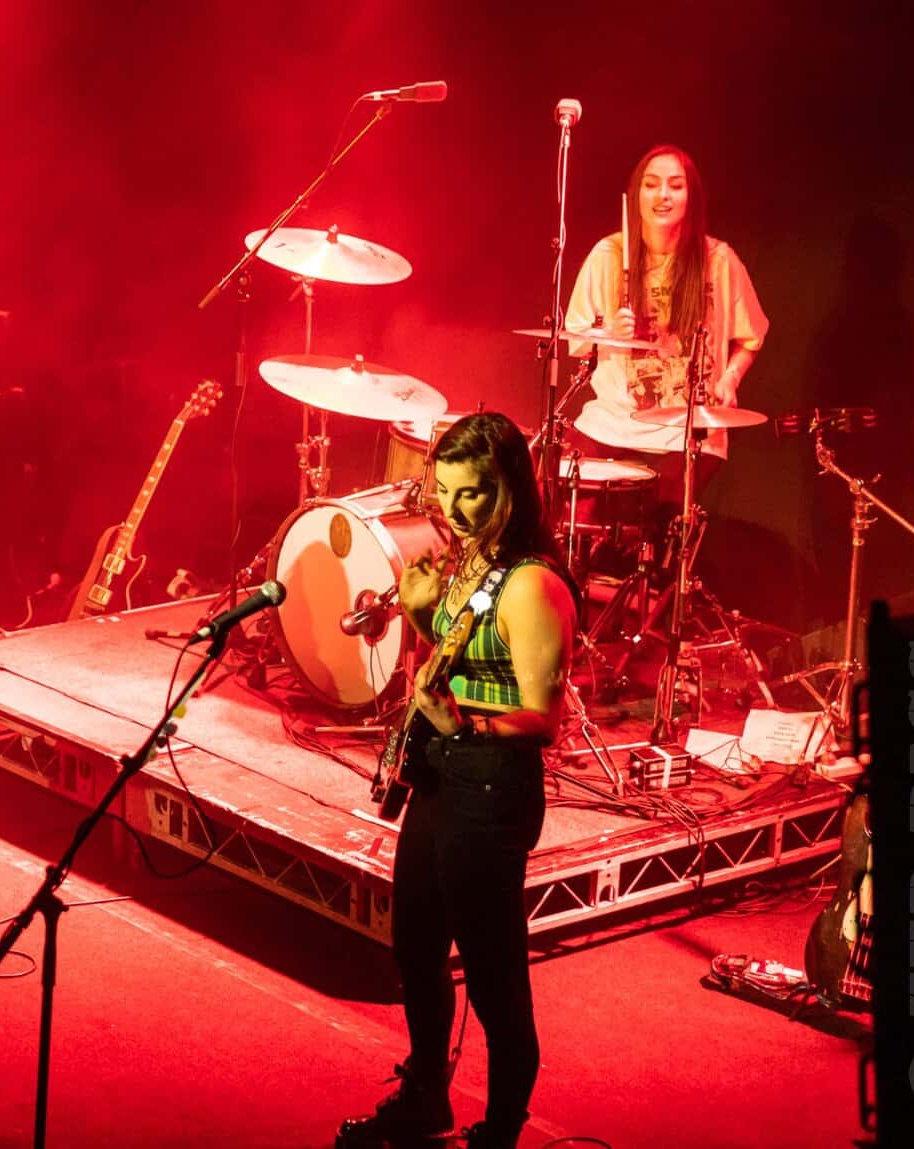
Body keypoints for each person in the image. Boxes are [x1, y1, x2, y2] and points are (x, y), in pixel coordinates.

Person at [335, 413, 579, 1149]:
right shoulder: (474, 560)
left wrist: (465, 722)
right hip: (442, 773)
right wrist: (419, 615)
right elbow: (459, 660)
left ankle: (500, 1131)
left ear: (510, 488)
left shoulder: (532, 584)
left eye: (471, 493)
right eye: (444, 491)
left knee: (493, 973)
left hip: (492, 785)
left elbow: (544, 718)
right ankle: (424, 1098)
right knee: (415, 946)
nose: (453, 509)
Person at [563, 145, 769, 510]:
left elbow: (751, 337)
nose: (663, 195)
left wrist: (730, 379)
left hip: (687, 432)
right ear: (636, 195)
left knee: (657, 523)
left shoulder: (718, 260)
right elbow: (575, 340)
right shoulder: (608, 255)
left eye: (675, 185)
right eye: (651, 184)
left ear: (692, 197)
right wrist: (609, 333)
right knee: (561, 496)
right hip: (612, 423)